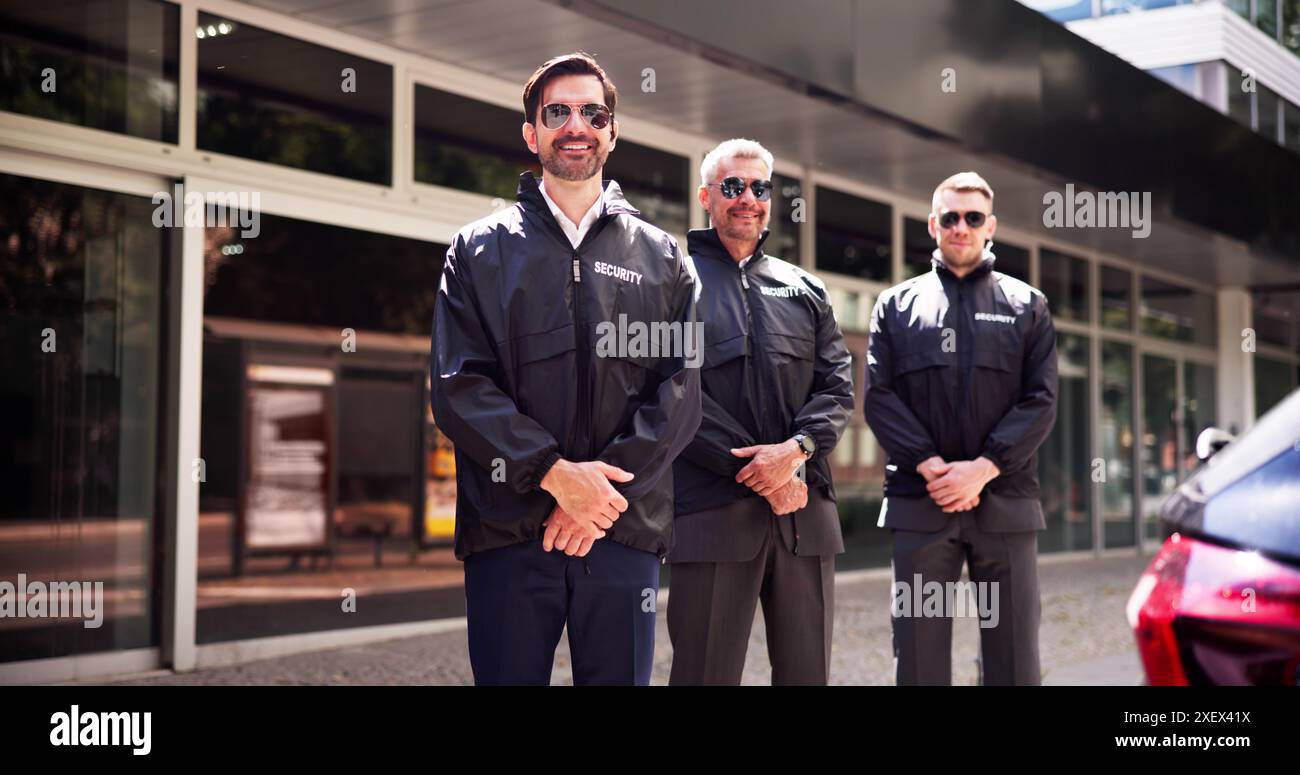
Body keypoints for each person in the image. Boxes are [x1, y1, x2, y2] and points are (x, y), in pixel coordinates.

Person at [429, 52, 701, 685]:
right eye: (558, 112)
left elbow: (681, 392)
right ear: (532, 133)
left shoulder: (663, 259)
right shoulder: (478, 250)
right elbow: (457, 385)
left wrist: (598, 499)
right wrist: (551, 474)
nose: (575, 124)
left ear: (611, 131)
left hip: (621, 531)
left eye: (591, 112)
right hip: (510, 528)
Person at [666, 139, 854, 685]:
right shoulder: (672, 282)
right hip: (711, 514)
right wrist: (762, 473)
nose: (747, 198)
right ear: (706, 196)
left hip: (805, 516)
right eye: (732, 186)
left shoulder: (806, 289)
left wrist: (797, 452)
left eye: (759, 187)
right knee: (705, 675)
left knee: (806, 675)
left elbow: (838, 386)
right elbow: (673, 391)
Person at [863, 171, 1058, 686]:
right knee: (920, 659)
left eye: (973, 218)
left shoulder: (1027, 306)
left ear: (990, 225)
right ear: (933, 225)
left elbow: (1041, 402)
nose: (961, 227)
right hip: (920, 504)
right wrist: (932, 466)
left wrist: (984, 468)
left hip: (1007, 504)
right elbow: (879, 398)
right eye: (950, 217)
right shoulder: (897, 306)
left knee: (1015, 661)